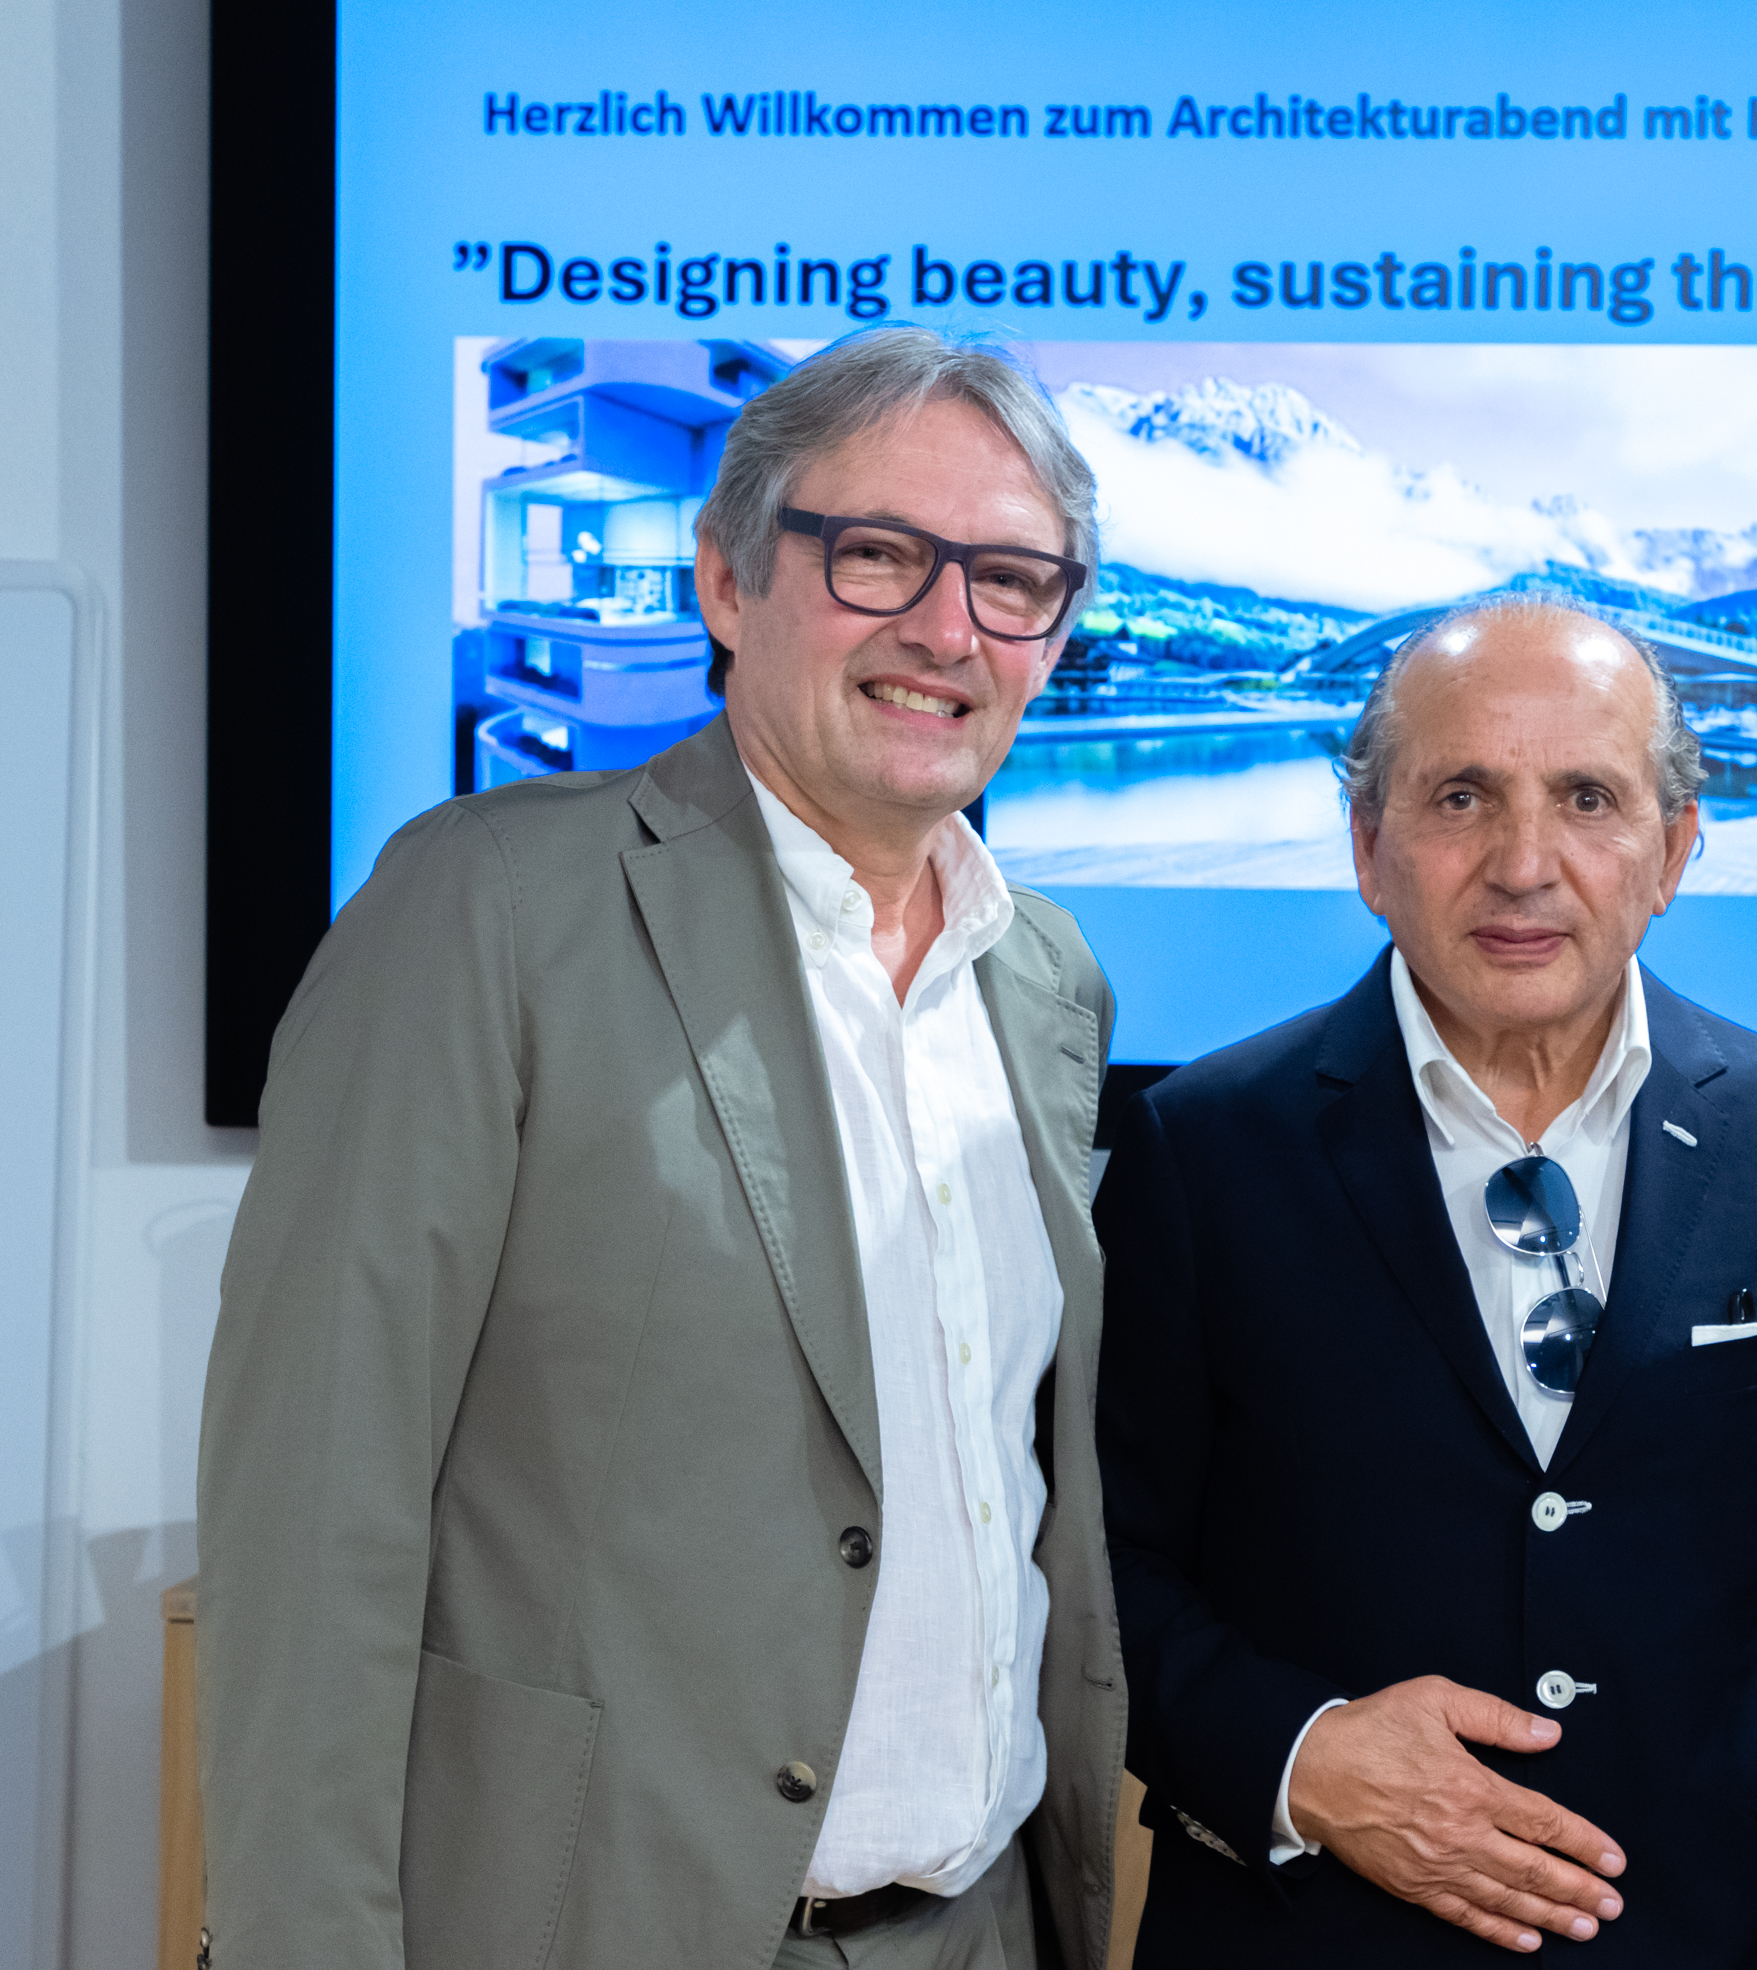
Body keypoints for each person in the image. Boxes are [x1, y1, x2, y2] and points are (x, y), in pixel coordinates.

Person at [197, 327, 1128, 1970]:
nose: (945, 628)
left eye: (1009, 580)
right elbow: (314, 1512)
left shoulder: (1043, 975)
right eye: (879, 554)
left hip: (980, 1923)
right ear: (726, 579)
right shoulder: (486, 910)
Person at [1094, 598, 1757, 1966]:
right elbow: (1099, 1567)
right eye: (1461, 797)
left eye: (1587, 799)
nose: (1523, 865)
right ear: (1368, 845)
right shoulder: (1200, 1150)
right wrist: (1300, 1754)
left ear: (1672, 849)